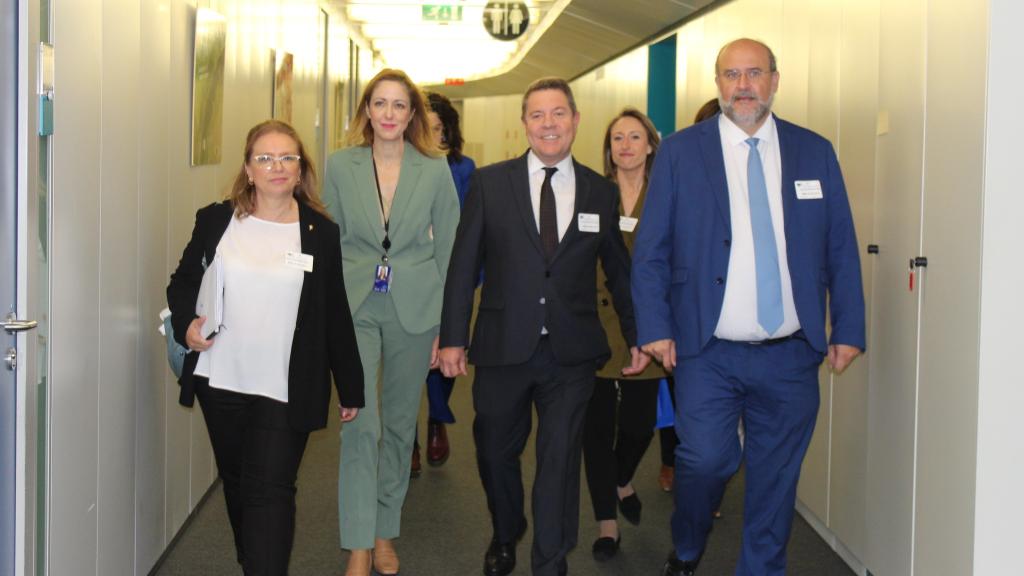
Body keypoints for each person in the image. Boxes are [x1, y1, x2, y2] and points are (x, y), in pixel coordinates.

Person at [632, 39, 865, 576]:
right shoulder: (682, 152)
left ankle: (760, 569)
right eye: (731, 75)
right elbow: (651, 252)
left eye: (754, 73)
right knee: (705, 459)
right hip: (708, 347)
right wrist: (655, 327)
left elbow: (841, 247)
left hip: (790, 352)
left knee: (776, 477)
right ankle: (688, 541)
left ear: (775, 81)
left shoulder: (814, 152)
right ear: (718, 84)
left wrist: (847, 327)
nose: (743, 85)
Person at [439, 77, 648, 576]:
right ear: (525, 125)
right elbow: (463, 266)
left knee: (558, 462)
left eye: (559, 114)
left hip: (571, 353)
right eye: (538, 115)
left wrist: (638, 335)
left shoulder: (599, 191)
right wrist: (452, 338)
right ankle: (507, 530)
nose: (549, 124)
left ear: (575, 121)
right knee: (493, 452)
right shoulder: (491, 183)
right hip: (502, 344)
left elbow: (619, 271)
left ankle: (550, 561)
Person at [166, 119, 364, 575]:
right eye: (265, 158)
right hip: (222, 378)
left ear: (301, 169)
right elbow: (182, 285)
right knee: (238, 484)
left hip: (284, 384)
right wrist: (187, 327)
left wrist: (350, 387)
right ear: (248, 169)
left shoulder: (320, 233)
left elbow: (334, 312)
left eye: (288, 158)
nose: (277, 166)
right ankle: (253, 559)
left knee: (272, 489)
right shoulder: (217, 220)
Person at [323, 68, 461, 576]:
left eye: (399, 106)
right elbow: (328, 242)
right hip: (356, 303)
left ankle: (385, 532)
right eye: (379, 104)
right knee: (361, 421)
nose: (388, 114)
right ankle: (358, 543)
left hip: (416, 306)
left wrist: (450, 328)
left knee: (401, 425)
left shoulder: (434, 168)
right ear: (366, 110)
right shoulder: (340, 166)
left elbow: (450, 246)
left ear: (412, 115)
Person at [582, 107, 666, 562]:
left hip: (649, 324)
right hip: (597, 320)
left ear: (650, 145)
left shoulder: (667, 195)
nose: (627, 146)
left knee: (638, 426)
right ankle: (606, 524)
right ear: (608, 148)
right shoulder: (595, 194)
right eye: (618, 138)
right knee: (595, 430)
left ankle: (621, 477)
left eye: (636, 137)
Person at [408, 91, 478, 473]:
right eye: (426, 128)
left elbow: (472, 226)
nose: (434, 136)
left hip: (451, 275)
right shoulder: (400, 167)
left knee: (447, 350)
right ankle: (411, 439)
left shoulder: (464, 169)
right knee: (409, 358)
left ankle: (437, 418)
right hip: (410, 277)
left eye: (440, 129)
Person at [656, 97, 722, 494]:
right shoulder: (680, 166)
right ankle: (680, 467)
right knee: (688, 408)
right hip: (690, 312)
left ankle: (705, 482)